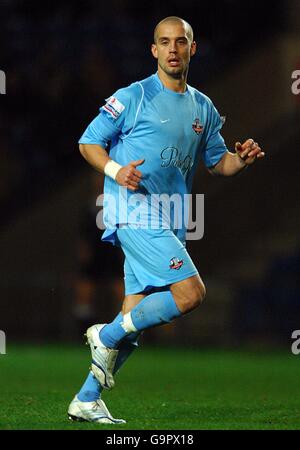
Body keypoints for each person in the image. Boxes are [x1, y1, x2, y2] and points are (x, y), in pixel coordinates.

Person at [68, 16, 265, 424]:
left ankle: (86, 399)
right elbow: (88, 141)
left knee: (134, 321)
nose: (173, 49)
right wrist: (116, 171)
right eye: (164, 42)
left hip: (173, 218)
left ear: (193, 49)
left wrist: (240, 161)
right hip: (132, 210)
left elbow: (218, 163)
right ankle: (104, 334)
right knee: (191, 294)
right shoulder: (133, 96)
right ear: (153, 50)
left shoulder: (204, 108)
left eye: (181, 42)